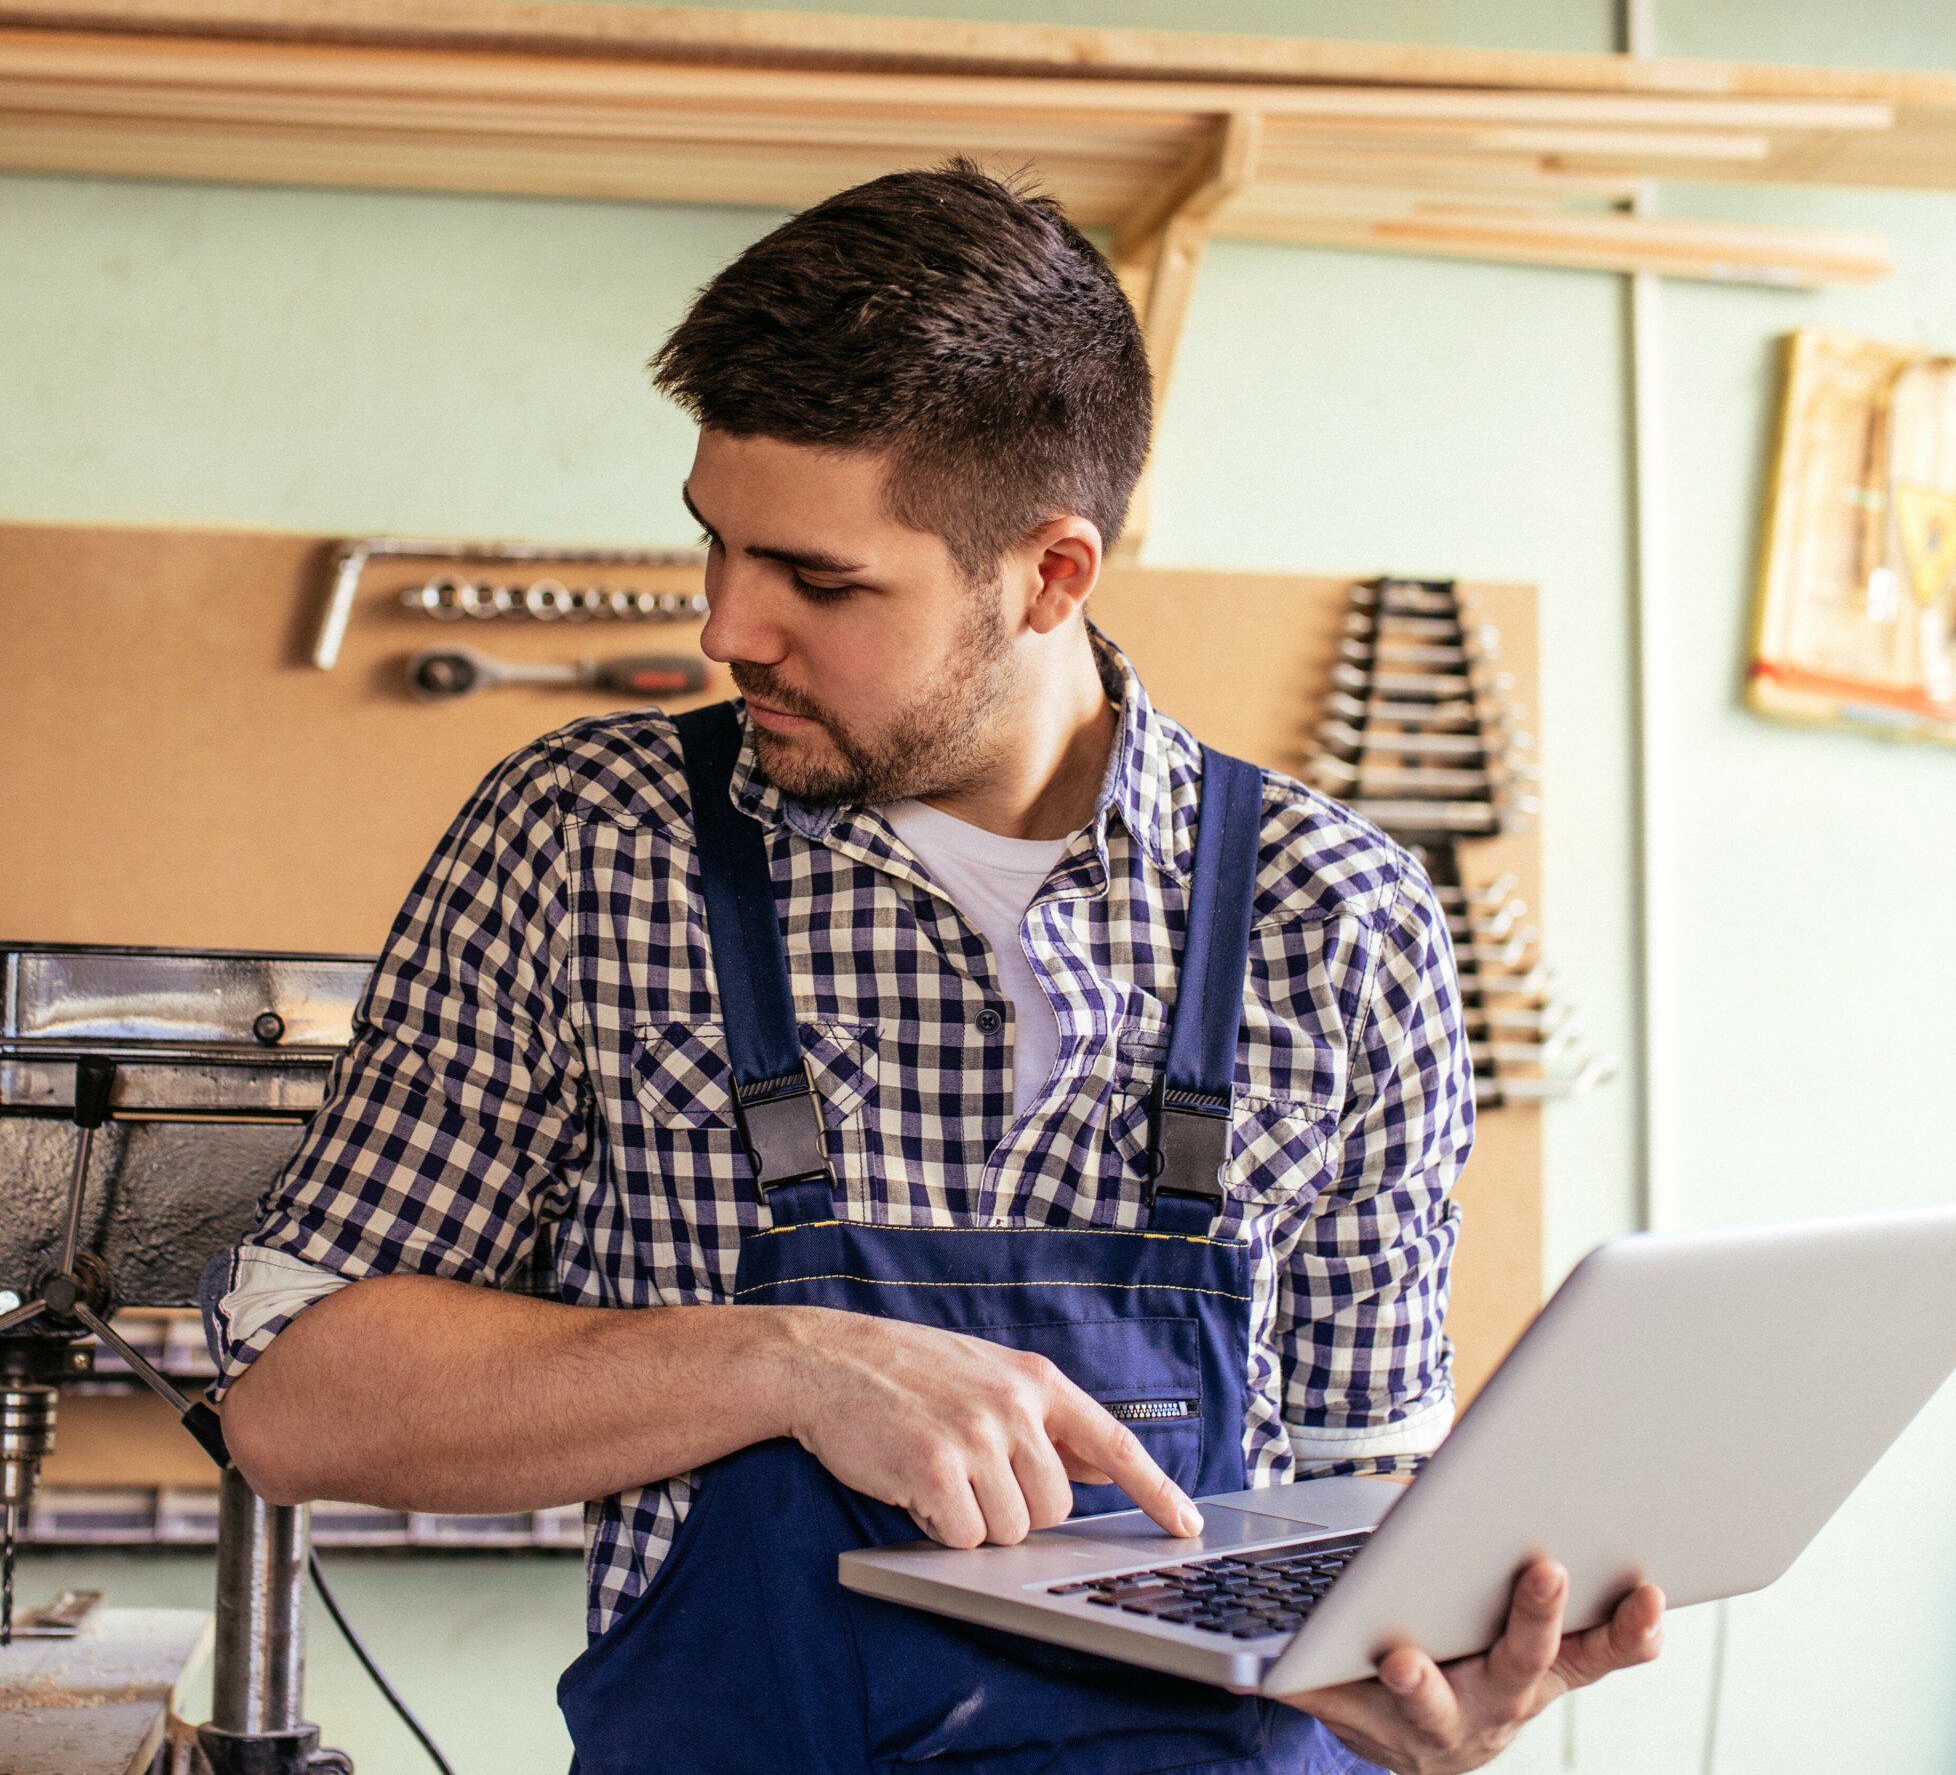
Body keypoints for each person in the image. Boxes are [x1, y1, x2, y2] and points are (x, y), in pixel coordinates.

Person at [209, 163, 1662, 1773]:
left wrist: (1435, 1673)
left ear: (1051, 576)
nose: (726, 629)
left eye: (819, 581)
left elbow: (1369, 1489)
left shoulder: (1344, 920)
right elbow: (295, 1398)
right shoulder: (589, 839)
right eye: (718, 544)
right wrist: (785, 1358)